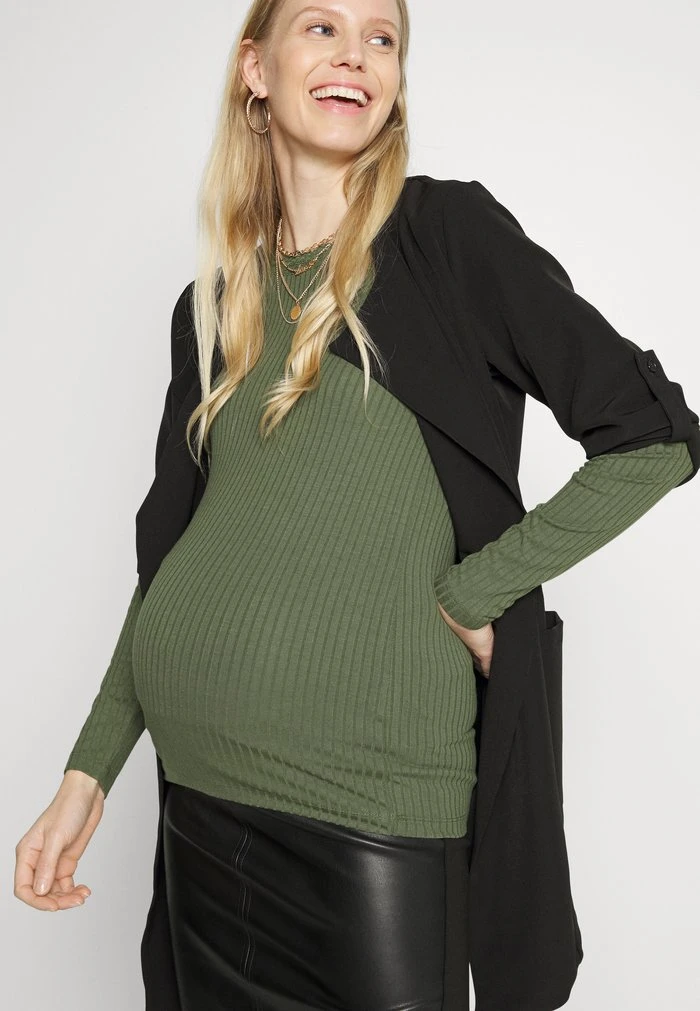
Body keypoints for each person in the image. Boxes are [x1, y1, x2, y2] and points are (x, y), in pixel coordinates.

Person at [13, 1, 698, 1009]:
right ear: (255, 68)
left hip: (375, 812)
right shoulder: (212, 307)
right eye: (322, 28)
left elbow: (654, 437)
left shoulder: (441, 240)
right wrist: (88, 772)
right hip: (199, 808)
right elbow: (172, 561)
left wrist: (478, 590)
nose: (356, 56)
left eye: (382, 38)